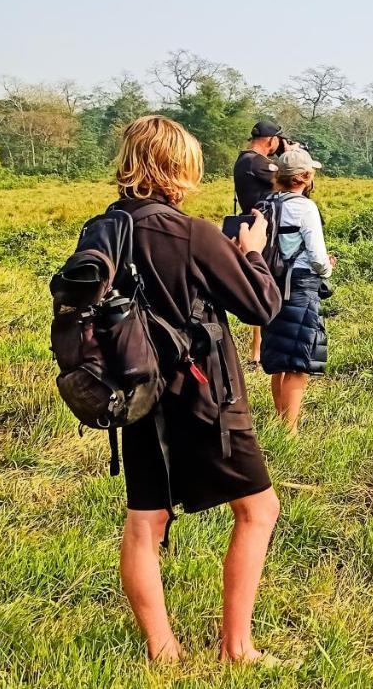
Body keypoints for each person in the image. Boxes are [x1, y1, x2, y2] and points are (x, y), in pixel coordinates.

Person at [110, 115, 283, 664]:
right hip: (205, 394)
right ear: (175, 169)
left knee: (146, 518)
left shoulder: (105, 230)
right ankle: (238, 647)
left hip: (134, 392)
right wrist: (250, 251)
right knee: (258, 510)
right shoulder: (192, 233)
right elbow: (261, 305)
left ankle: (163, 652)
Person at [259, 147, 333, 434]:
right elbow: (317, 257)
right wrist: (327, 269)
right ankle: (289, 433)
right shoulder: (305, 207)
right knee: (297, 363)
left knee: (279, 356)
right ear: (304, 177)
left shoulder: (267, 203)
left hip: (270, 284)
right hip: (299, 286)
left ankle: (280, 424)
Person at [232, 118, 285, 365]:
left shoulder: (245, 160)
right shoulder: (256, 161)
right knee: (263, 281)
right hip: (261, 230)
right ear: (271, 140)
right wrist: (292, 155)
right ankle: (259, 350)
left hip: (254, 226)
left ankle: (259, 349)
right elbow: (289, 177)